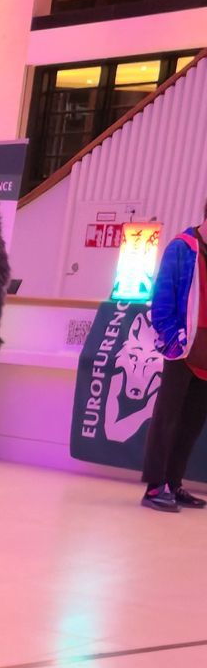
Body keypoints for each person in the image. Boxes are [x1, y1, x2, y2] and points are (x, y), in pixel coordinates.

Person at [141, 204, 205, 511]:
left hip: (206, 353)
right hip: (183, 347)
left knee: (192, 422)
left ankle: (174, 483)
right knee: (167, 418)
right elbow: (162, 299)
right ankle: (155, 486)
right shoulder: (182, 247)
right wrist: (171, 340)